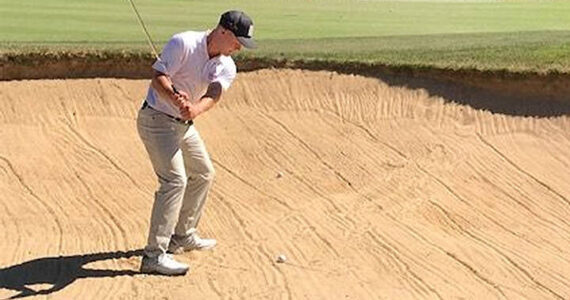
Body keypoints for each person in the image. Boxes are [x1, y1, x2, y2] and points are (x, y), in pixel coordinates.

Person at [136, 10, 256, 276]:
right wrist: (173, 96)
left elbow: (214, 92)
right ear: (223, 31)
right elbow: (158, 77)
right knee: (174, 181)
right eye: (237, 41)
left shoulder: (226, 64)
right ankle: (154, 256)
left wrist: (195, 110)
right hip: (156, 119)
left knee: (203, 173)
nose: (239, 48)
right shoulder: (184, 43)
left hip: (184, 125)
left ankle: (182, 235)